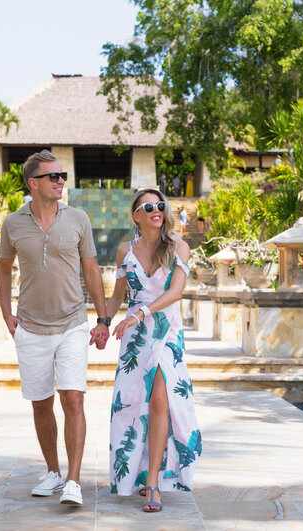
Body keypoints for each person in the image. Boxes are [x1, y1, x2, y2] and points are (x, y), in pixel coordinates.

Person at [0, 150, 110, 507]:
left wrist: (103, 319)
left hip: (73, 323)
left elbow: (91, 271)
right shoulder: (13, 224)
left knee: (73, 397)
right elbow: (2, 269)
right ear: (34, 183)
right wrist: (5, 312)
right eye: (54, 176)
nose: (61, 181)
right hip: (29, 327)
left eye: (62, 175)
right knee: (41, 403)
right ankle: (53, 472)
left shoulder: (78, 218)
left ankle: (73, 480)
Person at [103, 188, 201, 512]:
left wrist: (140, 313)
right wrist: (103, 321)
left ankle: (154, 484)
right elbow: (118, 294)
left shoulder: (178, 248)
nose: (156, 210)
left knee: (160, 400)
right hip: (135, 337)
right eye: (149, 206)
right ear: (136, 215)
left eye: (160, 205)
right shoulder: (124, 252)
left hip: (166, 331)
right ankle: (135, 473)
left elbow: (175, 293)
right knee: (133, 406)